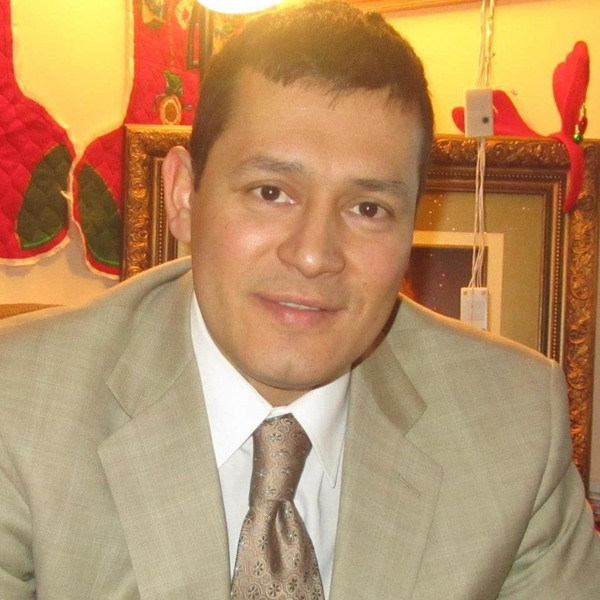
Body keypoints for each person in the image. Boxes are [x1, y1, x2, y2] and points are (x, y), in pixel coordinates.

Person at [0, 1, 598, 598]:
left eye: (368, 209)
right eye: (270, 192)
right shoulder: (20, 407)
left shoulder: (513, 425)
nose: (314, 256)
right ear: (183, 194)